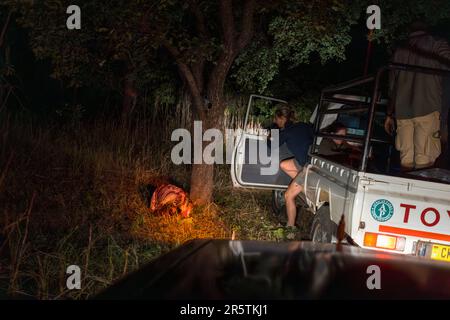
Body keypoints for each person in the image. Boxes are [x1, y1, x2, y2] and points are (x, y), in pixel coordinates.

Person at [385, 21, 450, 171]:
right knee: (425, 161)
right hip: (429, 107)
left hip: (402, 112)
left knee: (406, 160)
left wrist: (389, 114)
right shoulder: (438, 44)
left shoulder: (399, 50)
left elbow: (392, 85)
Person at [268, 105, 313, 233]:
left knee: (288, 195)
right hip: (306, 161)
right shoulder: (304, 125)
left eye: (276, 119)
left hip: (308, 167)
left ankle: (290, 227)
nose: (275, 121)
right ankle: (304, 185)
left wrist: (272, 132)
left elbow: (272, 146)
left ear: (282, 118)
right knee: (284, 164)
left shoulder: (287, 132)